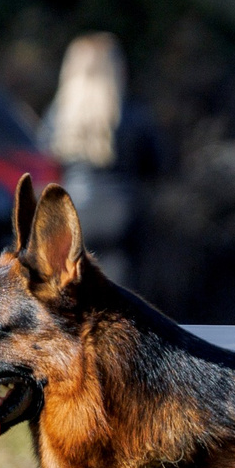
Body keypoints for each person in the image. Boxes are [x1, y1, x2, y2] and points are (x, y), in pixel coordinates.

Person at [41, 33, 166, 290]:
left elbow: (43, 168)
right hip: (122, 218)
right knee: (122, 300)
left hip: (74, 217)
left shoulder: (54, 119)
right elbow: (158, 166)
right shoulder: (132, 115)